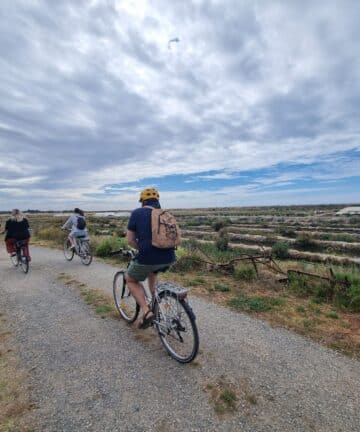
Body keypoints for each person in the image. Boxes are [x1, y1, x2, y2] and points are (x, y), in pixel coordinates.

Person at [126, 188, 176, 329]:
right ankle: (157, 304)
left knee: (130, 279)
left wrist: (141, 248)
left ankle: (147, 311)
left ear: (143, 201)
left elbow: (130, 240)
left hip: (147, 257)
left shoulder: (137, 213)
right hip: (170, 257)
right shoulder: (166, 214)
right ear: (157, 201)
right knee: (152, 271)